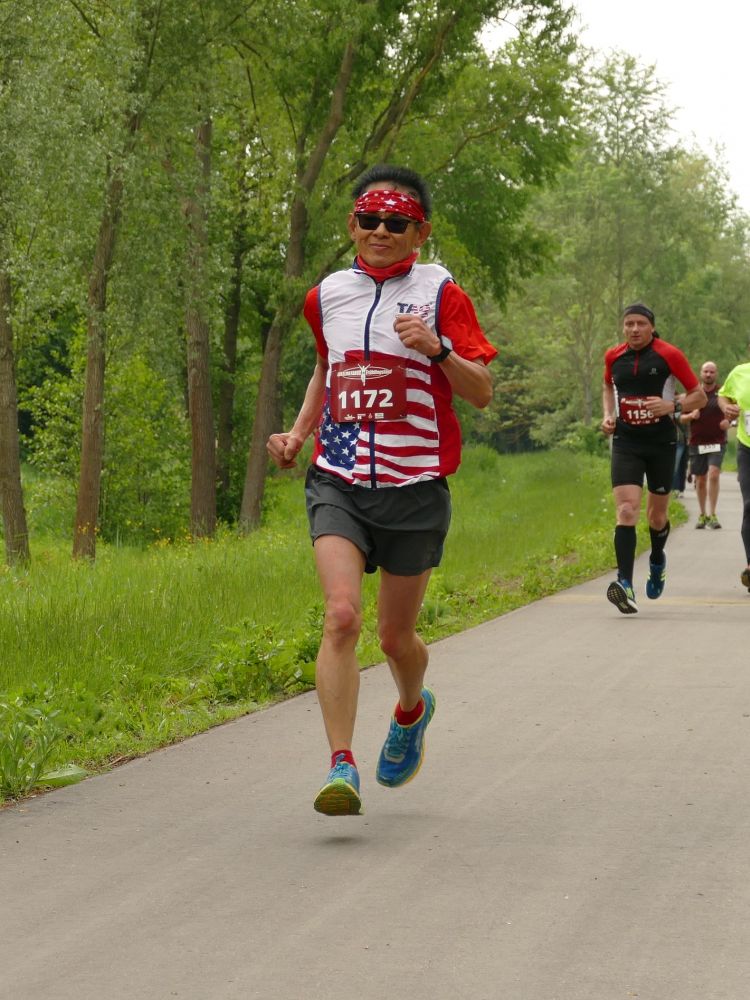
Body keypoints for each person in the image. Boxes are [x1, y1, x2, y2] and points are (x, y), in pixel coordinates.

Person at [267, 164, 496, 816]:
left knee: (396, 639)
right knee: (341, 615)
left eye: (397, 223)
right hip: (337, 477)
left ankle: (411, 709)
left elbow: (482, 391)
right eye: (370, 220)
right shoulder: (326, 296)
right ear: (352, 225)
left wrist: (438, 350)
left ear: (419, 232)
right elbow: (326, 367)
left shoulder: (441, 293)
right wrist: (298, 432)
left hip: (414, 485)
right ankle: (341, 765)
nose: (381, 231)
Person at [600, 303, 706, 614]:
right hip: (626, 443)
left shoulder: (669, 355)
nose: (634, 329)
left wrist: (672, 406)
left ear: (651, 327)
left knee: (656, 517)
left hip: (661, 443)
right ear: (623, 327)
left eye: (640, 324)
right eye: (629, 324)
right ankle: (625, 584)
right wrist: (608, 415)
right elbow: (607, 385)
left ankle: (657, 560)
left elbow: (699, 395)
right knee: (626, 509)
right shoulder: (613, 356)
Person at [680, 360, 730, 528]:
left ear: (716, 374)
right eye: (706, 371)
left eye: (712, 372)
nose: (708, 374)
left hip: (718, 441)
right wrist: (690, 416)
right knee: (700, 479)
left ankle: (713, 514)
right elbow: (680, 418)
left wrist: (728, 421)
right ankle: (702, 515)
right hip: (697, 442)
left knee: (714, 474)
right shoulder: (693, 394)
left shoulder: (723, 393)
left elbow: (732, 413)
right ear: (701, 373)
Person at [717, 359, 750, 591]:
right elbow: (723, 395)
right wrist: (726, 408)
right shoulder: (740, 372)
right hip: (747, 448)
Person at [672, 393, 689, 496]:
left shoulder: (685, 409)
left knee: (682, 465)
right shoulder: (675, 408)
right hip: (674, 440)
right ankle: (674, 489)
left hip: (682, 440)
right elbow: (678, 419)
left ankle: (680, 489)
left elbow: (685, 425)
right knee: (675, 465)